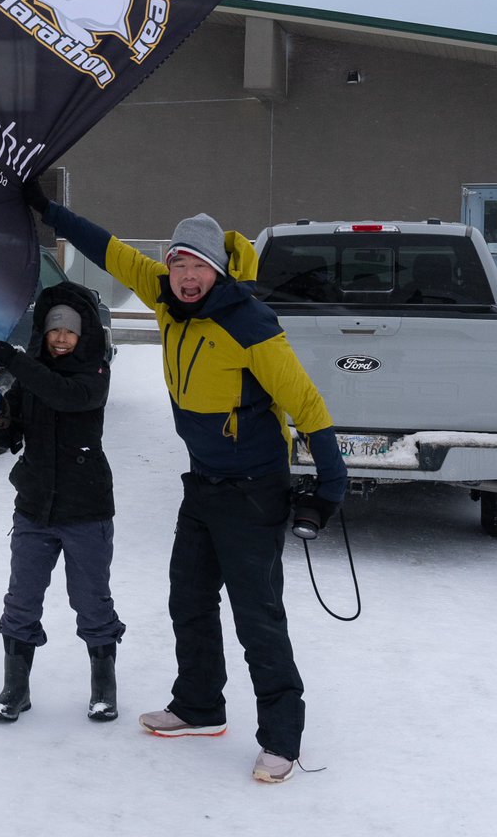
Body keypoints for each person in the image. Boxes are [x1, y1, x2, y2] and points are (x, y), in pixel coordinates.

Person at [23, 181, 347, 783]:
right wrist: (50, 213)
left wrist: (331, 477)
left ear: (217, 270)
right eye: (178, 264)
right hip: (203, 485)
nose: (186, 277)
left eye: (197, 266)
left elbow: (302, 397)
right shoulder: (166, 297)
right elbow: (112, 250)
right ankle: (199, 706)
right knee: (189, 601)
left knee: (257, 616)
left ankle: (282, 737)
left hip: (255, 489)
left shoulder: (250, 321)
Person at [0, 280, 124, 724]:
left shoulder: (94, 375)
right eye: (53, 330)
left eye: (70, 330)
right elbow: (8, 434)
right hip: (35, 508)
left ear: (84, 335)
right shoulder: (30, 379)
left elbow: (66, 396)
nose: (61, 338)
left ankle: (104, 686)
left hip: (86, 510)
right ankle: (16, 688)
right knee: (21, 599)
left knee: (92, 601)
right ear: (43, 332)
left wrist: (18, 366)